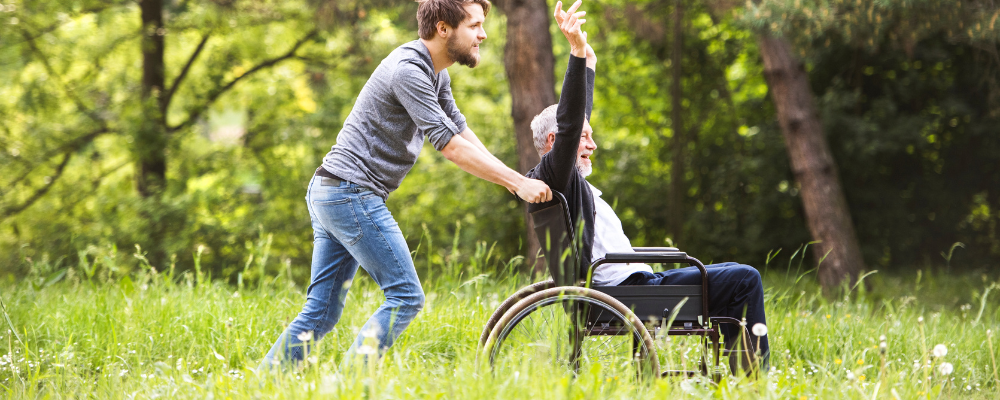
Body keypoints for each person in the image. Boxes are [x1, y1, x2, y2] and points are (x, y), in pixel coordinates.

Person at [260, 0, 553, 369]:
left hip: (332, 190)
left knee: (321, 314)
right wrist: (515, 184)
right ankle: (352, 388)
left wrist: (517, 180)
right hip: (349, 192)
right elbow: (449, 146)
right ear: (443, 28)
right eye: (474, 25)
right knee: (405, 296)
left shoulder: (435, 72)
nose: (483, 34)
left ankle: (265, 382)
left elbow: (460, 130)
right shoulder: (408, 71)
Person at [527, 1, 769, 373]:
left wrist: (588, 61)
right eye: (584, 138)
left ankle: (737, 374)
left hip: (635, 286)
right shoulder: (556, 176)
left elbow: (576, 118)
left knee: (734, 272)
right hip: (625, 295)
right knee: (744, 279)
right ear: (555, 142)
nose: (593, 145)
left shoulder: (566, 183)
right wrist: (575, 53)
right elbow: (572, 122)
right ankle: (753, 381)